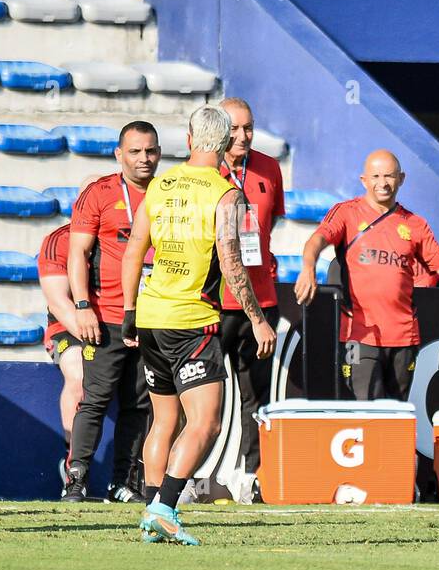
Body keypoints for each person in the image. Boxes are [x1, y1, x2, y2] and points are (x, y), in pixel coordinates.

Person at [121, 104, 276, 545]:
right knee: (205, 422)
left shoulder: (160, 184)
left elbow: (134, 250)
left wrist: (130, 313)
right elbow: (231, 262)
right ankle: (165, 508)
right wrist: (258, 319)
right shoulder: (225, 192)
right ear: (226, 144)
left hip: (151, 316)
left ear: (189, 140)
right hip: (192, 321)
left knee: (163, 420)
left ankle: (153, 510)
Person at [295, 150, 439, 401]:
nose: (382, 183)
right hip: (361, 336)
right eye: (375, 176)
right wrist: (308, 266)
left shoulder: (415, 224)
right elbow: (316, 240)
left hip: (404, 337)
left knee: (397, 417)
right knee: (369, 412)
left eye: (389, 176)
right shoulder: (346, 212)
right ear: (364, 180)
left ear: (401, 178)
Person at [65, 122, 160, 502]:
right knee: (95, 398)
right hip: (106, 314)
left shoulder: (168, 194)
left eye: (150, 151)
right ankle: (76, 479)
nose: (144, 159)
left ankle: (124, 483)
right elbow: (78, 253)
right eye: (135, 151)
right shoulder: (100, 193)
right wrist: (83, 305)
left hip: (153, 316)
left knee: (139, 405)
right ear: (119, 155)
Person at [216, 98, 284, 485]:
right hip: (215, 302)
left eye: (248, 128)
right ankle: (190, 477)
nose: (242, 136)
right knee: (204, 393)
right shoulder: (207, 171)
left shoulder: (269, 168)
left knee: (256, 396)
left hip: (262, 300)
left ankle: (252, 477)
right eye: (234, 128)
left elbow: (266, 226)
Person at [36, 176, 98, 484]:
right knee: (78, 373)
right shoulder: (58, 240)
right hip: (69, 326)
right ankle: (73, 464)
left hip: (117, 324)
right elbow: (59, 302)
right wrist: (93, 334)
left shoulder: (127, 237)